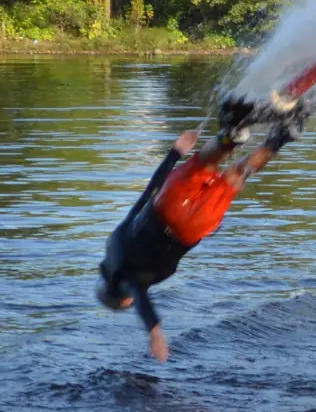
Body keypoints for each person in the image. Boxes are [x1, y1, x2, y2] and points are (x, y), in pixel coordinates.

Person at [96, 119, 296, 360]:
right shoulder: (114, 242)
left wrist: (154, 330)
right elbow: (148, 192)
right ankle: (231, 136)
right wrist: (175, 152)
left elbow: (140, 297)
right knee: (206, 161)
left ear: (123, 299)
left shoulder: (128, 282)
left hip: (191, 227)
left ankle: (283, 134)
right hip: (164, 203)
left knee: (238, 174)